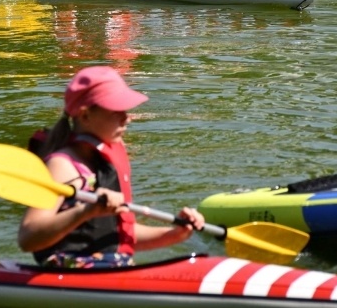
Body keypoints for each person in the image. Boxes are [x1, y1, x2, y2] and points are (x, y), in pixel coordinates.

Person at [18, 65, 205, 268]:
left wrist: (175, 234)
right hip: (71, 275)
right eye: (117, 111)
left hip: (112, 268)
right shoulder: (63, 166)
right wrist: (85, 211)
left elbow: (118, 239)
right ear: (86, 116)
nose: (127, 118)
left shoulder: (104, 163)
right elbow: (28, 237)